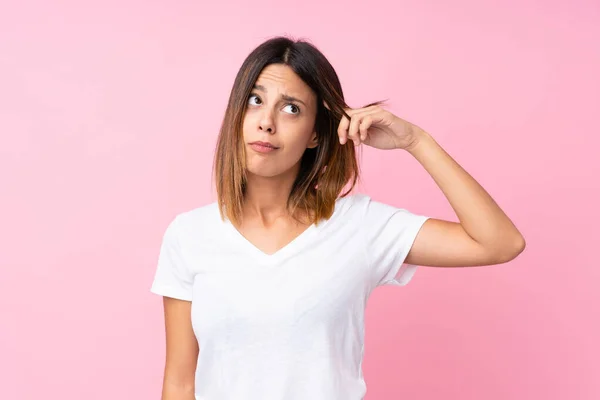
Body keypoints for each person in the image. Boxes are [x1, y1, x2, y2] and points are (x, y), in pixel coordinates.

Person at [150, 36, 525, 400]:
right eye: (254, 100)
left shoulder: (360, 226)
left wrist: (416, 141)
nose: (266, 121)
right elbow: (180, 385)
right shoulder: (189, 235)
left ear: (315, 134)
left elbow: (500, 243)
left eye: (291, 108)